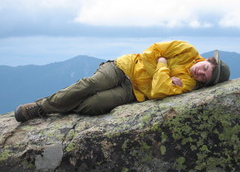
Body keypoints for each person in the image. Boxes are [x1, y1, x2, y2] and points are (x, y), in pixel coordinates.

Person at [14, 40, 230, 122]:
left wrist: (162, 64)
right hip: (123, 67)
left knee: (93, 104)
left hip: (133, 92)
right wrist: (162, 74)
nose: (199, 74)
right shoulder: (187, 49)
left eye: (204, 78)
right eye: (204, 68)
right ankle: (41, 108)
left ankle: (58, 103)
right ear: (207, 59)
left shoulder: (189, 84)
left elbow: (157, 92)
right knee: (91, 85)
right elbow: (150, 52)